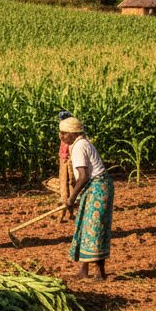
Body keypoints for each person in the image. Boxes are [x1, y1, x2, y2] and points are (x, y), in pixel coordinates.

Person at [60, 116, 113, 280]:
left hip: (97, 187)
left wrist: (71, 198)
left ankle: (100, 273)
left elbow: (82, 176)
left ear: (73, 133)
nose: (61, 137)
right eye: (60, 133)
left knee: (95, 230)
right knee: (85, 226)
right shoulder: (80, 143)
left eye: (64, 134)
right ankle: (84, 270)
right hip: (96, 186)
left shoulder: (79, 147)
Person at [55, 111, 75, 223]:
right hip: (64, 160)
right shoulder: (65, 131)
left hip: (69, 160)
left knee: (70, 185)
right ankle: (64, 214)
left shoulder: (71, 131)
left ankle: (69, 214)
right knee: (65, 187)